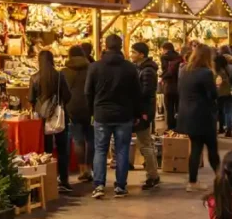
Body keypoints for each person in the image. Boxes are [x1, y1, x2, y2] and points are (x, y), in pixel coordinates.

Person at [85, 34, 140, 199]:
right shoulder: (130, 68)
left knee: (100, 150)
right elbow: (136, 93)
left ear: (105, 46)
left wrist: (92, 111)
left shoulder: (95, 67)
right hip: (124, 115)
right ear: (121, 46)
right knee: (122, 150)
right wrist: (136, 113)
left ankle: (99, 185)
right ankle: (121, 186)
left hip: (101, 114)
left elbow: (88, 91)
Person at [178, 45, 220, 191]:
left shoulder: (184, 70)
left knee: (196, 149)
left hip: (188, 115)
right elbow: (213, 95)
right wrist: (218, 85)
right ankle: (220, 180)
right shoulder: (206, 73)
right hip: (204, 116)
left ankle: (192, 182)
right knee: (212, 148)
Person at [30, 50, 73, 192]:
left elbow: (31, 99)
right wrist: (58, 105)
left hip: (42, 118)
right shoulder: (60, 76)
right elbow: (67, 95)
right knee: (62, 149)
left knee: (46, 149)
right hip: (60, 116)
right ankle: (64, 180)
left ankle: (48, 182)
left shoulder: (35, 77)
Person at [130, 42, 162, 190]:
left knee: (145, 144)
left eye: (134, 52)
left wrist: (141, 113)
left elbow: (145, 93)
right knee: (145, 143)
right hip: (143, 111)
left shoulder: (147, 71)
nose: (131, 55)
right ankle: (153, 174)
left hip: (143, 112)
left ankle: (153, 175)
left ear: (141, 54)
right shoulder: (142, 69)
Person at [62, 45, 93, 182]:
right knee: (91, 140)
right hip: (89, 107)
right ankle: (90, 169)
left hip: (72, 108)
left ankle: (82, 170)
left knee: (78, 140)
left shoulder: (64, 72)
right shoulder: (91, 69)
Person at [159, 42, 183, 131]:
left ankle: (170, 127)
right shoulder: (179, 57)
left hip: (169, 85)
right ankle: (178, 126)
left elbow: (165, 70)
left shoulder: (164, 57)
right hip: (179, 85)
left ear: (165, 49)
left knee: (169, 108)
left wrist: (162, 77)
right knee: (178, 107)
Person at [215, 47, 232, 138]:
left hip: (218, 93)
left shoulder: (215, 71)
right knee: (228, 111)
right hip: (228, 92)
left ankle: (221, 128)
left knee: (219, 111)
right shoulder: (229, 69)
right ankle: (229, 130)